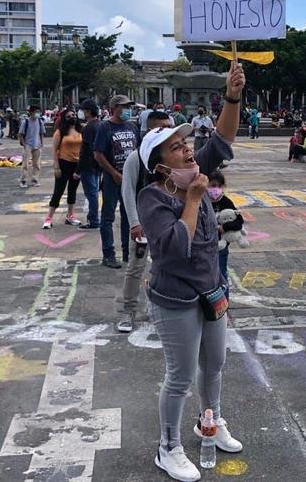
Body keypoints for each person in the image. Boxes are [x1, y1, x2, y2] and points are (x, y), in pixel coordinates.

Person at [136, 60, 245, 482]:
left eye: (186, 143)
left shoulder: (191, 170)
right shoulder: (154, 197)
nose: (187, 149)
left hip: (210, 289)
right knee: (179, 376)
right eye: (176, 147)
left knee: (214, 364)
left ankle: (210, 423)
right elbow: (173, 249)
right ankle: (168, 447)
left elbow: (223, 137)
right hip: (175, 298)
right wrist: (196, 199)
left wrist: (232, 94)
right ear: (160, 164)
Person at [118, 110, 174, 333]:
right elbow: (128, 191)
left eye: (168, 127)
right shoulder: (136, 158)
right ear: (149, 130)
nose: (165, 132)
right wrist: (134, 222)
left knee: (169, 268)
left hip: (169, 222)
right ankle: (128, 311)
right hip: (143, 223)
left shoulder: (173, 157)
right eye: (159, 128)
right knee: (135, 267)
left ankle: (165, 309)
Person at [94, 95, 139, 269]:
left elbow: (137, 150)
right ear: (114, 108)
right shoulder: (105, 127)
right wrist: (113, 173)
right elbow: (98, 154)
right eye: (124, 106)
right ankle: (109, 254)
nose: (128, 109)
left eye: (129, 106)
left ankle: (128, 253)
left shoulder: (132, 126)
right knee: (108, 217)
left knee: (129, 216)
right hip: (112, 180)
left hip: (130, 180)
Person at [44, 108, 83, 229]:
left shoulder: (80, 130)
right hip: (63, 163)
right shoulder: (60, 132)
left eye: (74, 115)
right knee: (58, 191)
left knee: (73, 190)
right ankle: (49, 217)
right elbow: (54, 150)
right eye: (70, 116)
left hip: (76, 164)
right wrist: (56, 166)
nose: (73, 117)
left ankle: (70, 215)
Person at [207, 170, 242, 294]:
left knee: (221, 273)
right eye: (212, 186)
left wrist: (225, 227)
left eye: (218, 186)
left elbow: (239, 221)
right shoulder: (203, 201)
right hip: (204, 246)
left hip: (221, 247)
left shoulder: (226, 202)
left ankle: (224, 304)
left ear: (223, 187)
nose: (215, 189)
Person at [78, 100, 102, 230]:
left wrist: (78, 168)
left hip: (88, 165)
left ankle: (93, 220)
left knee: (91, 194)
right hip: (97, 164)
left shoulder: (89, 127)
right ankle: (94, 219)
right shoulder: (100, 125)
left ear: (88, 111)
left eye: (83, 110)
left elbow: (86, 150)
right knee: (94, 193)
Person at [18, 105, 46, 188]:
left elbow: (41, 133)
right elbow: (20, 134)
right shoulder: (25, 122)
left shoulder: (40, 121)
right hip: (28, 145)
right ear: (31, 112)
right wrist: (24, 144)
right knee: (25, 164)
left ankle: (35, 179)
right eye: (36, 112)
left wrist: (41, 143)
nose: (37, 114)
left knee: (36, 164)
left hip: (37, 145)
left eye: (38, 112)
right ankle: (23, 180)